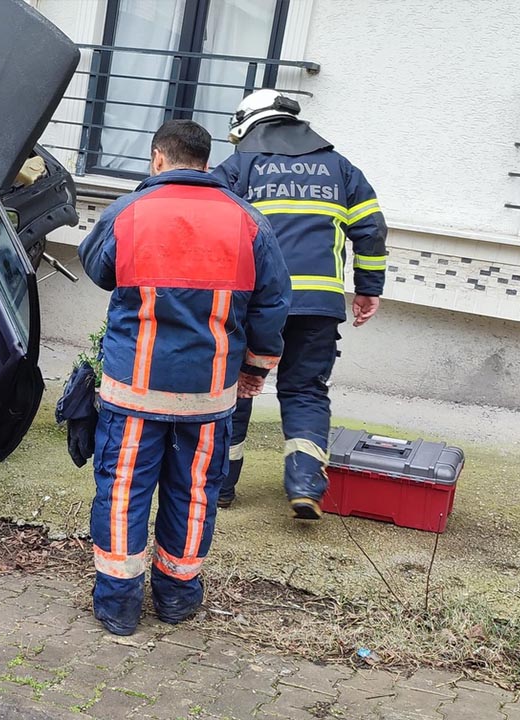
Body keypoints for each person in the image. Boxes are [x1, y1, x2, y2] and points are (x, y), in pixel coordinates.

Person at [79, 119, 291, 635]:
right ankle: (176, 598)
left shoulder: (129, 212)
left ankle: (118, 606)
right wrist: (255, 369)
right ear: (206, 161)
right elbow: (274, 303)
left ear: (157, 158)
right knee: (194, 492)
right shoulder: (248, 221)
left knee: (123, 491)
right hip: (209, 393)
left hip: (135, 388)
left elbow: (97, 267)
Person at [213, 89, 388, 519]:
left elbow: (210, 225)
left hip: (253, 304)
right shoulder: (340, 168)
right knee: (306, 390)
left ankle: (221, 487)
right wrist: (368, 287)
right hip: (319, 303)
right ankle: (305, 485)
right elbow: (371, 231)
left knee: (236, 387)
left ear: (249, 126)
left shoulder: (238, 167)